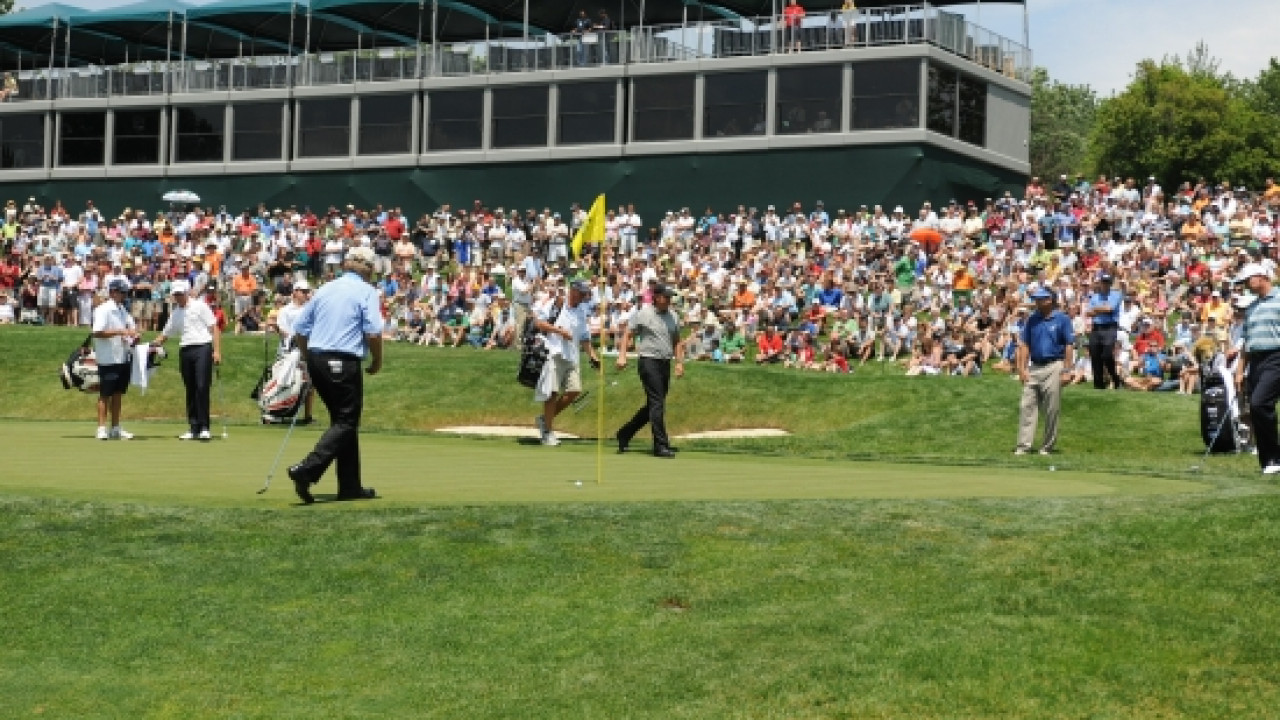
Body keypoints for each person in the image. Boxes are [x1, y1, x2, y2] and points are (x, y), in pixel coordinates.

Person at [287, 247, 385, 503]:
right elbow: (373, 332)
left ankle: (350, 486)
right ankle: (307, 470)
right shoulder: (366, 291)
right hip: (343, 361)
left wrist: (309, 358)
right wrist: (377, 359)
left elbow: (300, 329)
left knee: (343, 421)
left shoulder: (326, 288)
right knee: (346, 421)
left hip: (318, 359)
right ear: (368, 269)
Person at [615, 284, 684, 458]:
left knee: (654, 405)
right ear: (656, 297)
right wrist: (622, 356)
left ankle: (625, 433)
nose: (668, 300)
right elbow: (628, 334)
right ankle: (661, 445)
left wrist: (679, 363)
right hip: (648, 361)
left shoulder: (673, 316)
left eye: (670, 297)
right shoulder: (644, 314)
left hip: (665, 362)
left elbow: (677, 341)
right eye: (666, 297)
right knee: (657, 403)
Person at [150, 279, 222, 441]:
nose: (178, 297)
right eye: (175, 294)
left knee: (202, 386)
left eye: (180, 294)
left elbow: (214, 328)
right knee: (190, 388)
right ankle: (193, 427)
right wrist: (150, 345)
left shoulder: (200, 306)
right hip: (186, 350)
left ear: (187, 292)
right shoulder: (176, 313)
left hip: (203, 347)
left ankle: (204, 427)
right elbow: (164, 335)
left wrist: (217, 351)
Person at [534, 278, 599, 447]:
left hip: (572, 356)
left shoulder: (582, 310)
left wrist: (593, 356)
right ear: (573, 291)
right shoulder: (556, 304)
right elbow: (539, 323)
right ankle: (548, 432)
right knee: (552, 393)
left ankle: (544, 420)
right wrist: (559, 331)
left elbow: (584, 337)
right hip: (554, 353)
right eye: (582, 293)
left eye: (585, 294)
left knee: (574, 390)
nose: (584, 296)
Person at [1014, 288, 1075, 455]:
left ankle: (1047, 447)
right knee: (1026, 405)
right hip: (1034, 366)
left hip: (1054, 365)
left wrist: (1067, 370)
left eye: (1040, 299)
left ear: (1050, 300)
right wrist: (1022, 368)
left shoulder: (1062, 319)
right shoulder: (1032, 320)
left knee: (1051, 408)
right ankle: (1023, 446)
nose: (1037, 302)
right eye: (1036, 299)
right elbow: (1025, 345)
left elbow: (1069, 345)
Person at [1235, 263, 1280, 475]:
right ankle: (1268, 461)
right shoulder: (1251, 307)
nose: (1245, 284)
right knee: (1256, 408)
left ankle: (1274, 457)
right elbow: (1246, 343)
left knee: (1259, 403)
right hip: (1256, 361)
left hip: (1276, 357)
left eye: (1247, 280)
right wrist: (1239, 371)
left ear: (1261, 276)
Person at [91, 280, 139, 440]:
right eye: (122, 292)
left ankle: (116, 428)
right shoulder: (103, 310)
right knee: (105, 394)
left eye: (125, 293)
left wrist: (134, 335)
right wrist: (120, 331)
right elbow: (97, 332)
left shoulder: (123, 310)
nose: (124, 295)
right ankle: (101, 428)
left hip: (123, 357)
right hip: (108, 358)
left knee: (118, 394)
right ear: (112, 292)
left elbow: (130, 329)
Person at [275, 278, 316, 424]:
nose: (306, 294)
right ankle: (279, 411)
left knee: (309, 383)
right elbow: (282, 330)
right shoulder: (285, 310)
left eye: (307, 291)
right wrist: (295, 338)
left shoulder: (310, 309)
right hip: (289, 350)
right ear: (295, 292)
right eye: (303, 291)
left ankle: (308, 416)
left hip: (306, 349)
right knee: (287, 382)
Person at [1086, 274, 1123, 389]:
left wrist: (1096, 309)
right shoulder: (1095, 296)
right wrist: (1101, 309)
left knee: (1107, 354)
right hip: (1096, 327)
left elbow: (1109, 308)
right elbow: (1088, 313)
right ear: (1100, 283)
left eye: (1107, 282)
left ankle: (1114, 377)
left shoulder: (1116, 295)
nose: (1105, 284)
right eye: (1103, 282)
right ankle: (1098, 384)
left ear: (1110, 284)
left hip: (1110, 327)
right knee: (1095, 355)